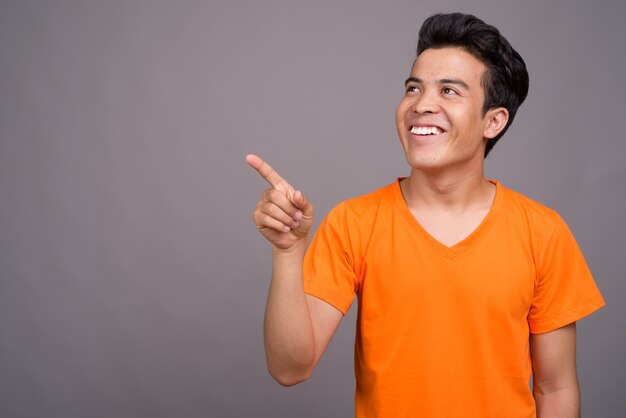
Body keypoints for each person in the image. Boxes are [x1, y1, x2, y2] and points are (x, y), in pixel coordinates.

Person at [246, 12, 604, 418]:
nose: (422, 105)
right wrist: (289, 253)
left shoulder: (543, 232)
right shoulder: (354, 223)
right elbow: (290, 368)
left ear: (494, 120)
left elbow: (556, 390)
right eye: (413, 88)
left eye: (449, 91)